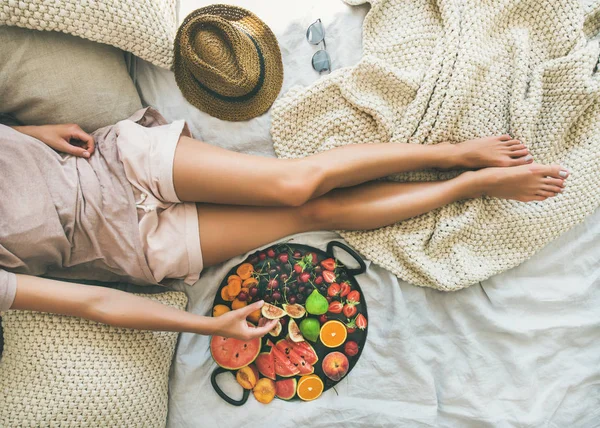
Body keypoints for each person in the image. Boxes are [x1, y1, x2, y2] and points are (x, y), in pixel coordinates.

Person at [0, 109, 569, 340]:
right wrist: (211, 329)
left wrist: (27, 133)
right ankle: (467, 186)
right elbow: (92, 304)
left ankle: (451, 153)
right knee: (313, 214)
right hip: (136, 246)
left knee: (295, 183)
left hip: (117, 165)